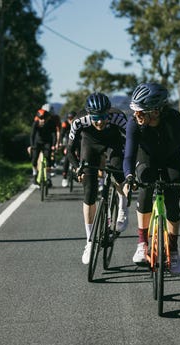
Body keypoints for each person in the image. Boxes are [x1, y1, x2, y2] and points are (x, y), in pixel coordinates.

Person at [122, 82, 180, 275]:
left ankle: (173, 250)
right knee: (145, 188)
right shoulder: (134, 123)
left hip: (171, 158)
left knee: (173, 203)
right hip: (145, 158)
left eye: (141, 112)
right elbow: (129, 157)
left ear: (155, 111)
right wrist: (129, 177)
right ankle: (142, 243)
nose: (136, 115)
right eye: (136, 111)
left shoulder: (175, 120)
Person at [67, 92, 129, 264]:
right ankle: (89, 242)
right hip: (90, 146)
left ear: (108, 112)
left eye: (103, 116)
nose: (100, 121)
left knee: (118, 173)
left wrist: (130, 169)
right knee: (89, 193)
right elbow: (70, 150)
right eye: (96, 117)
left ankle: (123, 207)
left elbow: (132, 142)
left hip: (113, 145)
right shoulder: (79, 120)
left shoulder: (118, 117)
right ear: (89, 114)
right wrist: (76, 168)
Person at [29, 108, 57, 188]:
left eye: (44, 118)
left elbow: (54, 134)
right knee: (34, 159)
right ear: (38, 118)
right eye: (41, 119)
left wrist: (53, 145)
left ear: (47, 118)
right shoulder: (36, 123)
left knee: (48, 159)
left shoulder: (51, 123)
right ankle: (35, 175)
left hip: (47, 142)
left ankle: (48, 178)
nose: (43, 120)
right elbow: (32, 135)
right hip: (37, 143)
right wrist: (31, 146)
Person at [60, 111, 77, 187]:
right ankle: (64, 177)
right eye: (69, 119)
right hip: (68, 141)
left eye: (72, 118)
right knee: (67, 157)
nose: (71, 120)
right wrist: (60, 143)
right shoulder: (65, 124)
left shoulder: (78, 123)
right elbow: (61, 134)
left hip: (77, 141)